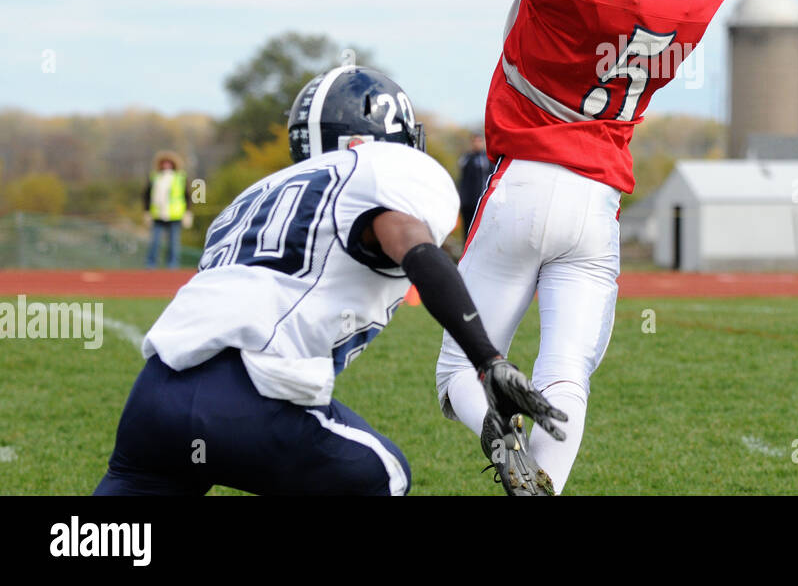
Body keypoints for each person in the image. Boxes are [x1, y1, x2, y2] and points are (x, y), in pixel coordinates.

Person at [434, 0, 726, 495]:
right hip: (597, 206)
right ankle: (546, 489)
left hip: (524, 179)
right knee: (570, 375)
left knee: (457, 369)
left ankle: (495, 423)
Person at [96, 66, 565, 496]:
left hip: (156, 397)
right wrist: (488, 360)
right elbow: (413, 245)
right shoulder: (384, 170)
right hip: (253, 395)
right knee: (384, 476)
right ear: (371, 142)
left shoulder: (252, 197)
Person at [143, 151, 190, 269]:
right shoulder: (154, 177)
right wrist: (147, 211)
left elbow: (188, 195)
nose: (166, 166)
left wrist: (188, 212)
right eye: (164, 163)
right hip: (157, 215)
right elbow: (146, 195)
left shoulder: (181, 178)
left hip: (175, 215)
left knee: (174, 243)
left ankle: (172, 265)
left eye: (169, 163)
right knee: (155, 242)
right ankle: (151, 264)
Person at [457, 133, 492, 243]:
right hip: (467, 202)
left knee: (481, 230)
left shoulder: (486, 158)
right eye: (474, 141)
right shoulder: (466, 158)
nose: (476, 144)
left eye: (479, 141)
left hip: (481, 200)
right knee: (467, 231)